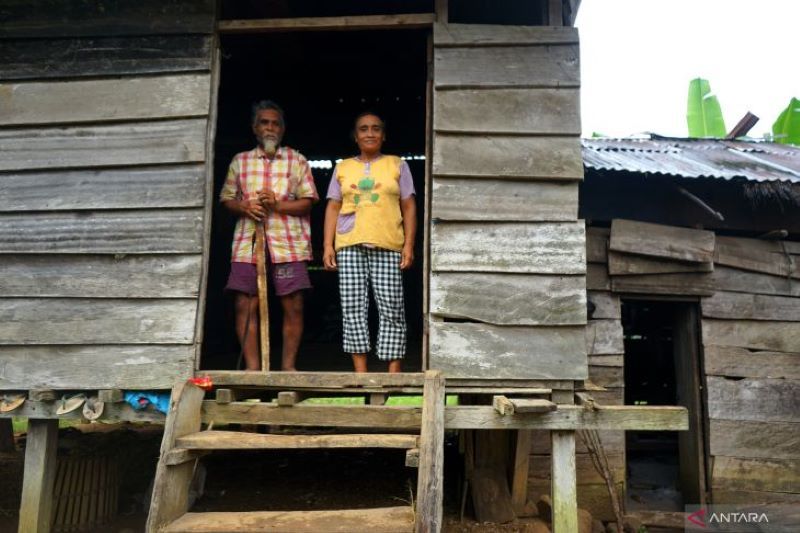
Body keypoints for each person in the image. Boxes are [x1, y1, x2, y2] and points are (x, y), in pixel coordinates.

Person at [220, 100, 318, 371]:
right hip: (248, 244)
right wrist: (244, 206)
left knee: (293, 304)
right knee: (245, 303)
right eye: (264, 122)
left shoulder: (297, 161)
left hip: (288, 244)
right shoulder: (240, 161)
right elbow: (226, 199)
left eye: (275, 123)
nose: (270, 127)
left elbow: (308, 202)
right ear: (255, 128)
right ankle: (253, 368)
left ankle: (288, 367)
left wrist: (277, 205)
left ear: (282, 129)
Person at [323, 112, 417, 373]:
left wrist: (409, 245)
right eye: (363, 129)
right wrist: (328, 245)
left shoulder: (397, 165)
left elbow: (409, 206)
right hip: (350, 242)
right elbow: (333, 206)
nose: (370, 133)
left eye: (376, 128)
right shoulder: (343, 167)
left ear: (383, 135)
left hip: (388, 243)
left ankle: (393, 372)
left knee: (392, 306)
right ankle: (361, 373)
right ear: (356, 136)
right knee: (352, 306)